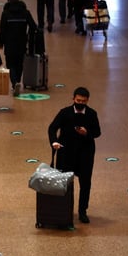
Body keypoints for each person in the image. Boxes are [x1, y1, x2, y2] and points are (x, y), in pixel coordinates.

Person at [48, 87, 101, 224]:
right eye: (78, 100)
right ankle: (65, 209)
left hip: (85, 154)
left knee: (85, 183)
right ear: (73, 99)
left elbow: (97, 132)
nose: (80, 103)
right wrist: (54, 141)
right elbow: (52, 128)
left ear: (87, 101)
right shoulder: (64, 113)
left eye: (83, 101)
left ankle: (82, 211)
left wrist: (87, 132)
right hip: (67, 153)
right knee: (65, 183)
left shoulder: (91, 114)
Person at [0, 0, 37, 92]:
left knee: (10, 64)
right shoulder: (25, 13)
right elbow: (33, 26)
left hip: (9, 43)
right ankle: (18, 81)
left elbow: (2, 29)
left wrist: (1, 42)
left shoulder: (6, 13)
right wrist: (28, 36)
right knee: (19, 63)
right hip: (22, 42)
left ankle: (14, 83)